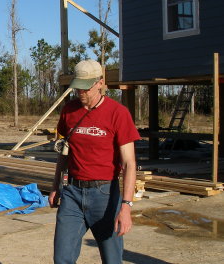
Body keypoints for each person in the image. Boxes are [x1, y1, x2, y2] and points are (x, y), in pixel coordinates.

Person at [48, 59, 140, 263]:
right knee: (62, 258)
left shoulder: (118, 113)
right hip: (72, 193)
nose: (81, 93)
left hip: (105, 195)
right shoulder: (69, 111)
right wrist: (55, 186)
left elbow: (129, 164)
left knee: (111, 258)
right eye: (78, 88)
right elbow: (63, 152)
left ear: (100, 83)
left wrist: (126, 206)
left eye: (85, 88)